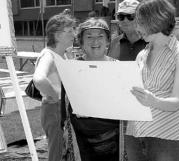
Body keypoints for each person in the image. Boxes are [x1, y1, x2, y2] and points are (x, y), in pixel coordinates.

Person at [126, 0, 179, 161]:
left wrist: (153, 101)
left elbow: (177, 101)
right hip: (135, 135)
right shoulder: (142, 55)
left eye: (140, 22)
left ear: (155, 20)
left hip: (167, 138)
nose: (136, 28)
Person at [61, 17, 120, 161]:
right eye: (89, 37)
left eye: (100, 36)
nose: (95, 41)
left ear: (107, 41)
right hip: (80, 139)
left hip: (114, 139)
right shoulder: (71, 68)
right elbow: (65, 105)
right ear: (80, 42)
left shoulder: (119, 68)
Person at [33, 13, 76, 161]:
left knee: (63, 148)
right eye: (69, 31)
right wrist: (55, 97)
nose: (74, 34)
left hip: (61, 108)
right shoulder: (48, 55)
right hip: (54, 108)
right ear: (57, 35)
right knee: (56, 151)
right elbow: (39, 79)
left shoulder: (60, 54)